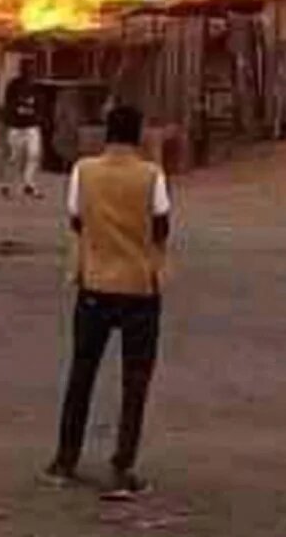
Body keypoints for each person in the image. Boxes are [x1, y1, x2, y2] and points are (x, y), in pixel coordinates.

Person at [46, 104, 172, 499]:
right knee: (135, 381)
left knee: (81, 374)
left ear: (106, 135)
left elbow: (76, 219)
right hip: (139, 287)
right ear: (137, 136)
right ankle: (122, 465)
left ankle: (65, 460)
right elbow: (161, 224)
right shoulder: (152, 174)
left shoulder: (85, 171)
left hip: (95, 284)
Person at [0, 61, 45, 199]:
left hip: (32, 125)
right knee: (13, 157)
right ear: (22, 70)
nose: (30, 72)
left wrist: (38, 117)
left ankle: (29, 184)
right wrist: (7, 123)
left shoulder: (36, 87)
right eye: (28, 69)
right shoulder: (13, 85)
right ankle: (6, 184)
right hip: (16, 126)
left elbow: (40, 104)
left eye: (32, 70)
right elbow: (7, 105)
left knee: (34, 154)